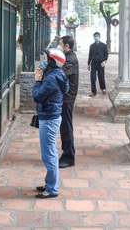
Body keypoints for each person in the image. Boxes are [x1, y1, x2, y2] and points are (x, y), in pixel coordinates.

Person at [32, 48, 69, 199]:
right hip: (51, 116)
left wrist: (37, 80)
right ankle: (49, 184)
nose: (44, 60)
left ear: (52, 62)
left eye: (47, 58)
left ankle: (52, 189)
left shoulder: (51, 79)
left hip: (48, 119)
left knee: (49, 154)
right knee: (49, 153)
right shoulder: (57, 75)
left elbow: (37, 97)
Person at [57, 36, 78, 168]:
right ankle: (66, 154)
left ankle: (69, 157)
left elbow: (60, 74)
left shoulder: (71, 59)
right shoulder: (67, 57)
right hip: (64, 97)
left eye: (60, 45)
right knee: (63, 127)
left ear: (67, 46)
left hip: (67, 98)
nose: (58, 47)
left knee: (66, 127)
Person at [87, 32, 108, 96]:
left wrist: (105, 61)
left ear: (99, 37)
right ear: (93, 37)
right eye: (95, 36)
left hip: (101, 63)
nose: (96, 37)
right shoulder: (92, 46)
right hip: (94, 63)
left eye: (97, 36)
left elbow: (106, 54)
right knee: (93, 77)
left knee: (101, 76)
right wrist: (88, 64)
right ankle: (93, 91)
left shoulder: (103, 45)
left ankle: (103, 88)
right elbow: (90, 55)